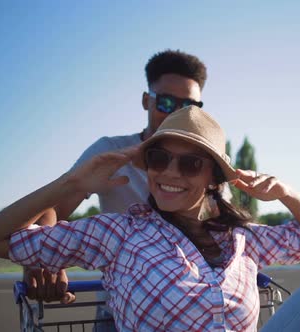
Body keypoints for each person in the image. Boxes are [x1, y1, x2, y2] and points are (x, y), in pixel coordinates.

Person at [0, 106, 300, 331]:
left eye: (190, 163)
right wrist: (73, 184)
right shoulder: (119, 233)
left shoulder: (241, 238)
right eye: (160, 158)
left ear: (212, 176)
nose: (169, 173)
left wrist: (286, 192)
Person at [25, 49, 209, 303]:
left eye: (188, 106)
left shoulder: (207, 163)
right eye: (166, 102)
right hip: (120, 307)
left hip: (190, 308)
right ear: (147, 100)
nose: (177, 114)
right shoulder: (111, 153)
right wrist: (44, 257)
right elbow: (55, 207)